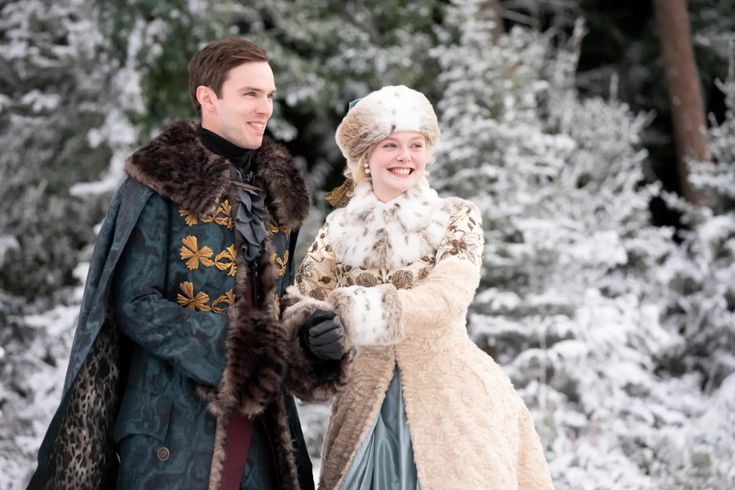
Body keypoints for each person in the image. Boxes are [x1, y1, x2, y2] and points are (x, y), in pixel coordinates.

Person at [29, 38, 351, 490]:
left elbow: (273, 306)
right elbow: (133, 301)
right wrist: (234, 348)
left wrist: (308, 338)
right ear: (207, 97)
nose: (265, 109)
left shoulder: (278, 199)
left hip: (263, 437)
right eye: (250, 94)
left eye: (270, 96)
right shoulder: (160, 183)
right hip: (169, 431)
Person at [292, 85, 554, 489]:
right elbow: (303, 302)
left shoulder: (456, 218)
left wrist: (365, 315)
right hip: (363, 409)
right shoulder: (336, 231)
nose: (405, 157)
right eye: (390, 145)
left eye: (417, 144)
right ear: (365, 156)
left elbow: (449, 294)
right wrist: (312, 339)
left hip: (453, 402)